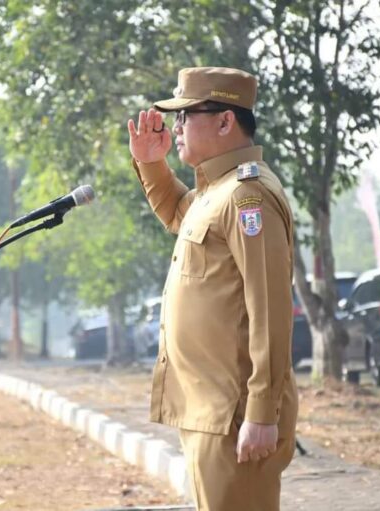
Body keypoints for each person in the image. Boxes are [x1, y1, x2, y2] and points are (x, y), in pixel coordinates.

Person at [126, 67, 298, 511]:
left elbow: (271, 311)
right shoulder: (214, 192)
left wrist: (262, 413)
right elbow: (180, 214)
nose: (176, 127)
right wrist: (151, 162)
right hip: (210, 409)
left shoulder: (248, 196)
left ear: (225, 121)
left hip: (235, 413)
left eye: (187, 117)